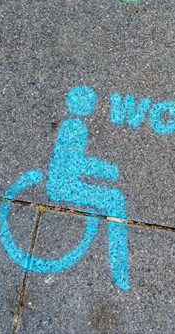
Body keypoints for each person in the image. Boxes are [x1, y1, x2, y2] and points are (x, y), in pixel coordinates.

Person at [46, 85, 129, 290]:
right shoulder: (74, 127)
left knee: (113, 197)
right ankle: (119, 268)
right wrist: (108, 170)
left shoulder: (72, 125)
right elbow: (74, 163)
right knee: (115, 199)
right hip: (64, 186)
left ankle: (119, 265)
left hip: (66, 181)